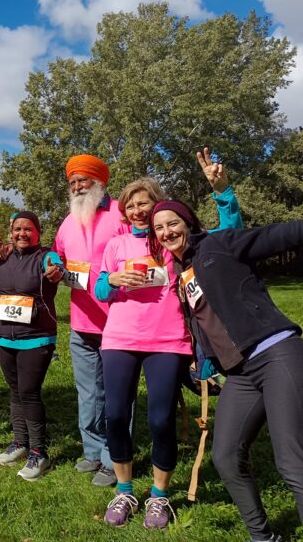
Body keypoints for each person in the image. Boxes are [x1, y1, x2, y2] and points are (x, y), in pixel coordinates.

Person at [95, 151, 241, 528]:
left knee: (160, 420)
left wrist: (222, 192)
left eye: (145, 203)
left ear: (156, 204)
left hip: (166, 341)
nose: (138, 210)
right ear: (124, 211)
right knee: (114, 415)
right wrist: (112, 281)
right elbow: (97, 287)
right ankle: (124, 490)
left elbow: (229, 232)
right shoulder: (115, 245)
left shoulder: (173, 241)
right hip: (120, 339)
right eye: (131, 205)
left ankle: (159, 497)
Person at [151, 202, 303, 542]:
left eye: (172, 223)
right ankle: (262, 538)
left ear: (188, 222)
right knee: (226, 457)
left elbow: (279, 235)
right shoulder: (181, 272)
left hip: (276, 350)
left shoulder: (219, 244)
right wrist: (200, 361)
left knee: (293, 462)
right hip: (240, 373)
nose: (166, 232)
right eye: (159, 228)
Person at [45, 154, 127, 487]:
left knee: (116, 394)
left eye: (84, 180)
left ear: (99, 182)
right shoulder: (68, 220)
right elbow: (56, 253)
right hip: (81, 322)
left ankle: (114, 459)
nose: (78, 187)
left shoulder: (121, 212)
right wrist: (51, 262)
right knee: (88, 392)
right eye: (73, 182)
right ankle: (93, 451)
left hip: (119, 321)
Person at [0, 211, 59, 480]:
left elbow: (58, 269)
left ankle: (39, 453)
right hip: (4, 337)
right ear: (11, 232)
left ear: (38, 231)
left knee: (29, 392)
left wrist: (56, 271)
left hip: (36, 337)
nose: (22, 234)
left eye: (27, 229)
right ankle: (21, 442)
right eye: (17, 229)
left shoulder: (46, 256)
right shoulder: (5, 256)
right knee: (15, 392)